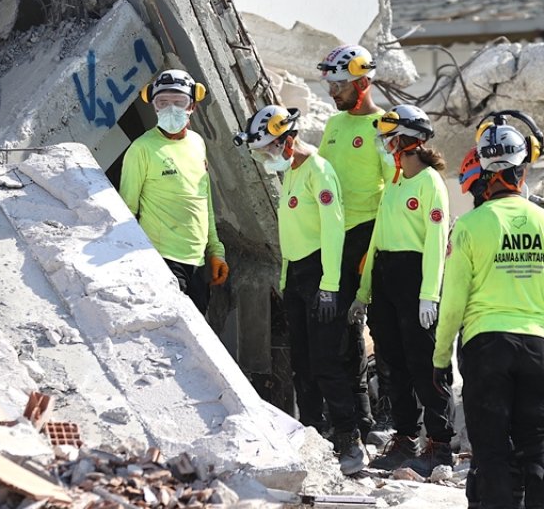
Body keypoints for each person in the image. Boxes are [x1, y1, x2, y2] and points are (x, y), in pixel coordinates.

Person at [433, 120, 544, 509]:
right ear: (524, 169)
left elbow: (452, 303)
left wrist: (439, 360)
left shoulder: (467, 226)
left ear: (483, 171)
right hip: (534, 347)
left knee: (492, 453)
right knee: (536, 450)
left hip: (485, 349)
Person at [234, 105, 367, 474]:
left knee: (326, 361)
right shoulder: (291, 173)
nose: (265, 159)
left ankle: (348, 437)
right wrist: (284, 279)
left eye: (267, 151)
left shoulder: (318, 171)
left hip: (321, 274)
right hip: (295, 275)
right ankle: (313, 434)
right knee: (302, 364)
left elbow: (333, 230)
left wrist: (329, 286)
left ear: (288, 140)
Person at [347, 104, 454, 474]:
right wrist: (364, 291)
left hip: (415, 276)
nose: (385, 144)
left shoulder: (429, 183)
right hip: (386, 275)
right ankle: (406, 438)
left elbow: (437, 241)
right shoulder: (394, 181)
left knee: (426, 364)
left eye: (389, 138)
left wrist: (430, 294)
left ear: (409, 141)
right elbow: (378, 236)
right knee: (393, 363)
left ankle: (439, 445)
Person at [316, 44, 389, 441]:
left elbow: (393, 191)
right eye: (330, 85)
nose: (333, 93)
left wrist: (373, 250)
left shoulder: (382, 127)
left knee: (381, 330)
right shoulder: (335, 125)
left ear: (363, 82)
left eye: (340, 85)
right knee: (341, 332)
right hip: (334, 238)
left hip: (368, 235)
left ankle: (395, 424)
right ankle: (356, 421)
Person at [120, 70, 228, 314]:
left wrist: (215, 250)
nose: (170, 109)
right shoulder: (142, 149)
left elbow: (204, 202)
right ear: (153, 106)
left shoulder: (197, 143)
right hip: (162, 261)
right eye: (162, 102)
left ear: (193, 105)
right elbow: (126, 211)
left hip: (198, 264)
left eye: (178, 102)